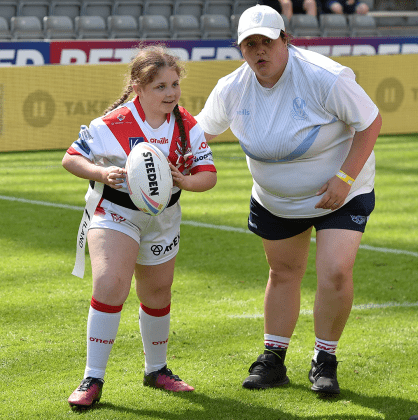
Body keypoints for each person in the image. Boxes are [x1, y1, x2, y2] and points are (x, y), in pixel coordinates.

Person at [195, 4, 381, 395]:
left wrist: (345, 178)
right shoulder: (232, 87)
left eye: (267, 41)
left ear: (285, 39)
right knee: (283, 273)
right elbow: (199, 134)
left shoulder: (323, 76)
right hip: (275, 199)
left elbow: (370, 122)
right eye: (250, 44)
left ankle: (324, 360)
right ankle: (273, 360)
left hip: (342, 194)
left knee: (335, 271)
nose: (259, 50)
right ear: (240, 49)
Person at [62, 44, 217, 409]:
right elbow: (71, 158)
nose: (171, 93)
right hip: (115, 212)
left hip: (163, 218)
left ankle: (156, 370)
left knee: (157, 293)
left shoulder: (187, 125)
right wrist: (101, 173)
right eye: (160, 86)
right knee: (110, 283)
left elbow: (208, 175)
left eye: (174, 84)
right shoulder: (112, 124)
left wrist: (184, 180)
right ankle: (92, 377)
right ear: (138, 87)